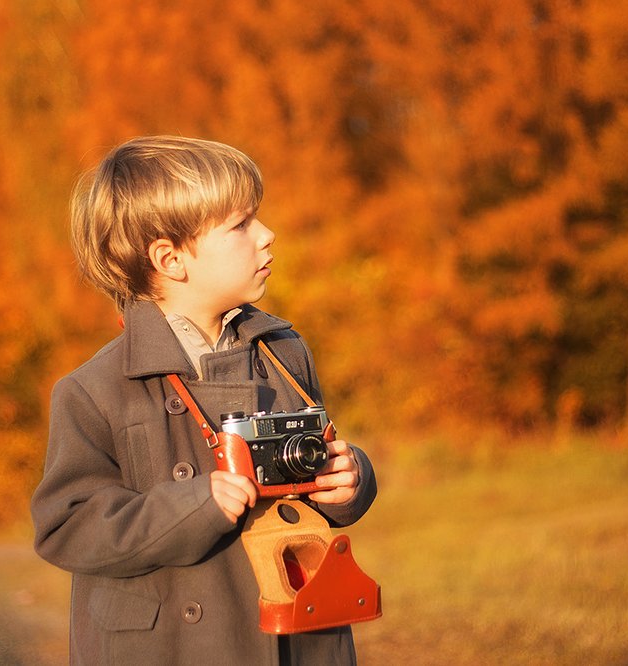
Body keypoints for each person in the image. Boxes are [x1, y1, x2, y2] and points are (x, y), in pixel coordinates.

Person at [31, 136, 377, 665]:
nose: (266, 235)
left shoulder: (284, 351)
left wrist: (350, 480)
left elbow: (319, 461)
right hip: (172, 648)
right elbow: (68, 528)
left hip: (300, 635)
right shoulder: (92, 390)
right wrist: (194, 505)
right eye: (240, 225)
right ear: (171, 259)